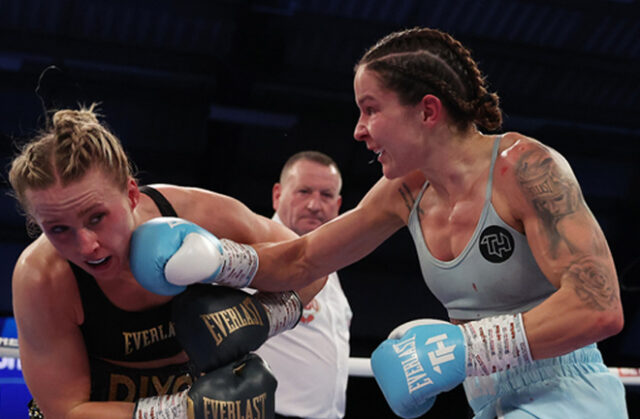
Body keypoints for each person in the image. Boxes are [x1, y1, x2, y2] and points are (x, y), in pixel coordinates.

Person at [133, 27, 627, 418]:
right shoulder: (405, 192)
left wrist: (468, 347)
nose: (359, 129)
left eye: (371, 109)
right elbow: (303, 259)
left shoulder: (525, 168)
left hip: (570, 394)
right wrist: (218, 259)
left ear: (427, 111)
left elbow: (600, 308)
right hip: (490, 401)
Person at [7, 104, 326, 418]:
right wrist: (181, 412)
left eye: (96, 218)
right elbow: (67, 410)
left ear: (132, 195)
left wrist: (263, 316)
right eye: (58, 229)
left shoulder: (196, 213)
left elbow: (312, 263)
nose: (86, 245)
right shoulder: (42, 277)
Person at [254, 151, 352, 419]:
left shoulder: (329, 262)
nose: (314, 205)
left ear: (338, 203)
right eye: (304, 191)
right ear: (278, 194)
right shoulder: (256, 251)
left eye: (326, 195)